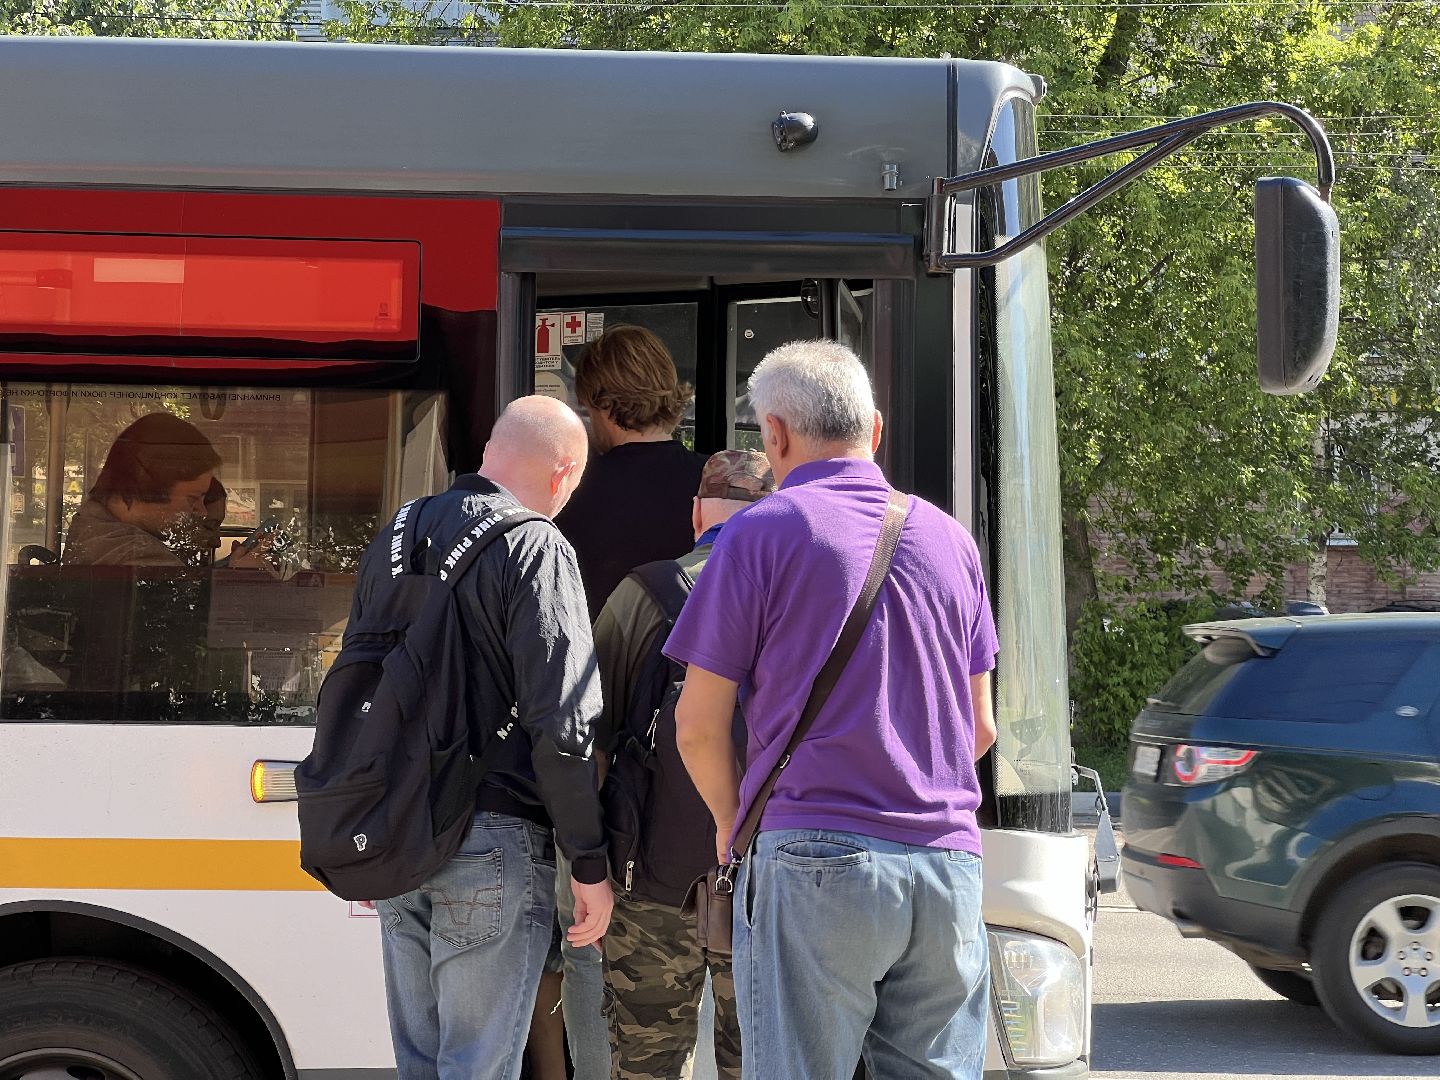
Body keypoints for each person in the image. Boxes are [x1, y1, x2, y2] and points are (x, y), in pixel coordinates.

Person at [666, 341, 999, 1080]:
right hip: (948, 866)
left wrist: (733, 822)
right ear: (874, 429)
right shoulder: (951, 541)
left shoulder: (759, 533)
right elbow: (980, 728)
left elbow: (696, 725)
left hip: (816, 858)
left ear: (775, 436)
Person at [349, 395, 615, 1080]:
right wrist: (588, 861)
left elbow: (355, 686)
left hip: (395, 831)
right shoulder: (536, 543)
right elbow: (563, 719)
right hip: (491, 836)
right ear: (562, 476)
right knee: (477, 1066)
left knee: (423, 1065)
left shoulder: (398, 535)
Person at [550, 324, 705, 1079]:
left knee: (591, 952)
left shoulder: (570, 500)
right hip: (725, 801)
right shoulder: (720, 487)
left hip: (614, 786)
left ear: (598, 406)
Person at [594, 450, 773, 1080]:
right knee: (759, 1064)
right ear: (773, 514)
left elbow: (592, 731)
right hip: (765, 884)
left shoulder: (643, 594)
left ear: (696, 513)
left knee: (646, 1066)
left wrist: (588, 865)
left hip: (650, 885)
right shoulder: (795, 596)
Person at [64, 412, 222, 566]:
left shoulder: (93, 527)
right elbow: (182, 592)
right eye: (192, 499)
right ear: (151, 490)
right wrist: (236, 578)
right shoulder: (140, 557)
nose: (202, 512)